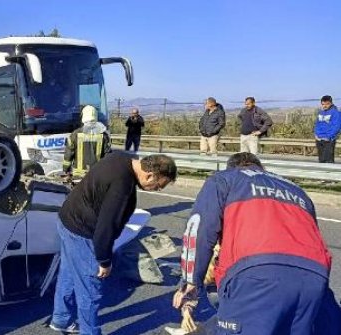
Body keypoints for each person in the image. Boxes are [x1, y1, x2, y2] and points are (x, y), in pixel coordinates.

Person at [174, 152, 332, 334]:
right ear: (261, 168)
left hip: (256, 273)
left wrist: (190, 282)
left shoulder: (225, 180)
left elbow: (199, 231)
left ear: (233, 167)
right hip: (314, 276)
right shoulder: (298, 191)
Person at [52, 153, 177, 334]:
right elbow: (106, 226)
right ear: (150, 174)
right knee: (90, 290)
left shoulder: (120, 159)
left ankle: (61, 319)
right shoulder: (122, 186)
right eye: (158, 185)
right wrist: (104, 260)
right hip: (83, 231)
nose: (156, 190)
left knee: (69, 273)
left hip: (67, 220)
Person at [62, 105, 112, 178]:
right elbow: (108, 157)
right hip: (97, 174)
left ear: (83, 117)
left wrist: (65, 170)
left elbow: (68, 155)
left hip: (78, 175)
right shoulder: (104, 135)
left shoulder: (75, 134)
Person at [314, 95, 341, 163]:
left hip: (328, 140)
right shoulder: (321, 112)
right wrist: (316, 134)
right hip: (319, 139)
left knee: (328, 161)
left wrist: (328, 137)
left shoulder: (336, 113)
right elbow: (317, 124)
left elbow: (336, 126)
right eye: (323, 104)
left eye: (327, 104)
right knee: (321, 160)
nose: (325, 106)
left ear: (331, 103)